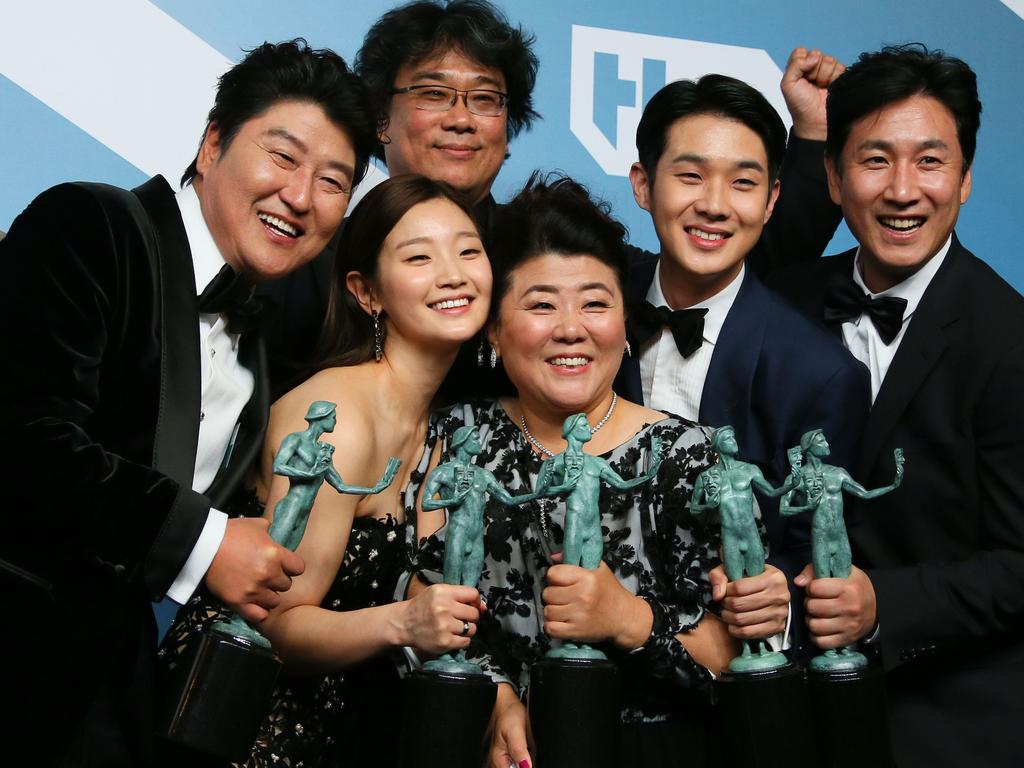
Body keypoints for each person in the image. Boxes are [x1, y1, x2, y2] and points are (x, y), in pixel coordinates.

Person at [0, 40, 377, 766]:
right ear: (211, 144)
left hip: (104, 701)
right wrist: (208, 544)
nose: (300, 197)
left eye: (334, 181)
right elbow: (23, 435)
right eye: (283, 156)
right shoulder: (88, 225)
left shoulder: (256, 339)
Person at [261, 0, 846, 394]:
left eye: (487, 100)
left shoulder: (540, 244)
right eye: (434, 93)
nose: (462, 119)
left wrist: (814, 137)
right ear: (380, 121)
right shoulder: (307, 248)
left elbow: (719, 266)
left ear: (508, 130)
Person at [414, 175, 783, 768]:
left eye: (595, 302)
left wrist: (627, 617)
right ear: (492, 329)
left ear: (624, 323)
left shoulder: (687, 454)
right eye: (540, 304)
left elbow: (738, 654)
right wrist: (494, 696)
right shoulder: (457, 438)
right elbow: (422, 586)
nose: (571, 328)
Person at [161, 174, 493, 767]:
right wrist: (406, 620)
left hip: (334, 726)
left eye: (468, 249)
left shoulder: (438, 428)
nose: (454, 273)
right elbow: (278, 622)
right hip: (234, 723)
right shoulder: (338, 417)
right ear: (368, 294)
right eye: (419, 256)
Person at [768, 44, 1024, 767]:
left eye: (931, 162)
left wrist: (886, 603)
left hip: (949, 722)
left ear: (967, 179)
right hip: (779, 718)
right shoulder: (781, 303)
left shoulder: (1009, 339)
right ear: (834, 176)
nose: (903, 190)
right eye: (875, 160)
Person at [617, 73, 870, 653]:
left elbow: (822, 559)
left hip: (724, 684)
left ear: (772, 199)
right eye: (689, 175)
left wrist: (778, 604)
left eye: (743, 183)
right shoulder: (589, 311)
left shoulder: (819, 374)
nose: (713, 204)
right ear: (642, 184)